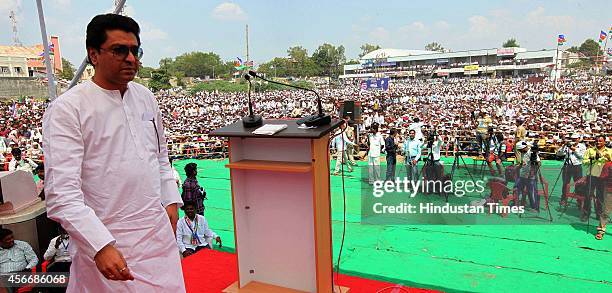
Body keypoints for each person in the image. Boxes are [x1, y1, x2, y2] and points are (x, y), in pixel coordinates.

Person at [42, 14, 184, 292]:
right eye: (120, 50)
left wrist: (170, 200)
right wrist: (99, 245)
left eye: (135, 50)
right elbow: (61, 195)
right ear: (93, 54)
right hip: (108, 242)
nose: (131, 58)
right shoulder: (68, 109)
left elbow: (160, 156)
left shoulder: (146, 97)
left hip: (157, 235)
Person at [582, 135, 611, 224]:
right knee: (588, 195)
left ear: (604, 142)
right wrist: (594, 159)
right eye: (597, 141)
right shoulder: (590, 150)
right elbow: (584, 162)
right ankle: (586, 214)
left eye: (600, 141)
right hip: (592, 176)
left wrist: (608, 158)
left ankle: (599, 214)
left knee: (601, 197)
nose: (598, 142)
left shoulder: (610, 151)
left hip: (603, 177)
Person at [556, 134, 586, 207]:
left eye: (575, 138)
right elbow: (559, 154)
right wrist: (563, 146)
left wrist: (573, 149)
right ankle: (564, 199)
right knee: (565, 183)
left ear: (579, 139)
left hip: (577, 166)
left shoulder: (582, 146)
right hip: (567, 166)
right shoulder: (568, 145)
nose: (573, 140)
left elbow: (581, 156)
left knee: (578, 184)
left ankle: (579, 200)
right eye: (572, 138)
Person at [516, 141, 541, 212]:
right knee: (517, 188)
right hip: (523, 175)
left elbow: (539, 163)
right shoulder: (523, 153)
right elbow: (524, 162)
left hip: (531, 176)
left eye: (520, 150)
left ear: (523, 148)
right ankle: (517, 203)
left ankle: (535, 207)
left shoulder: (532, 153)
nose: (519, 151)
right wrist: (519, 166)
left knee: (532, 192)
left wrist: (533, 173)